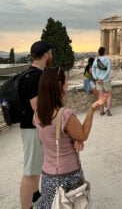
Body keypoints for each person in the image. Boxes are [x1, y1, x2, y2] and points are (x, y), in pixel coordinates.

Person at [33, 67, 107, 209]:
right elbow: (83, 135)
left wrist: (73, 139)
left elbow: (52, 137)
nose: (68, 85)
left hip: (48, 175)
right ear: (59, 86)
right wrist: (92, 109)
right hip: (68, 175)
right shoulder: (64, 115)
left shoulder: (36, 115)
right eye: (66, 82)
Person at [19, 41, 53, 209]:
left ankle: (36, 196)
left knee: (35, 167)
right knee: (30, 171)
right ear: (46, 55)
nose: (51, 56)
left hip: (30, 128)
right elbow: (37, 107)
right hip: (32, 129)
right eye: (50, 53)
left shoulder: (32, 74)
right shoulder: (35, 77)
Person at [92, 46, 113, 116]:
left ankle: (101, 111)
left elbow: (93, 70)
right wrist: (103, 78)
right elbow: (108, 70)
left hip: (98, 81)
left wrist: (96, 78)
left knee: (100, 96)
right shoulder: (107, 59)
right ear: (104, 52)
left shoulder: (96, 60)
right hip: (106, 80)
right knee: (109, 95)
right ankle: (108, 110)